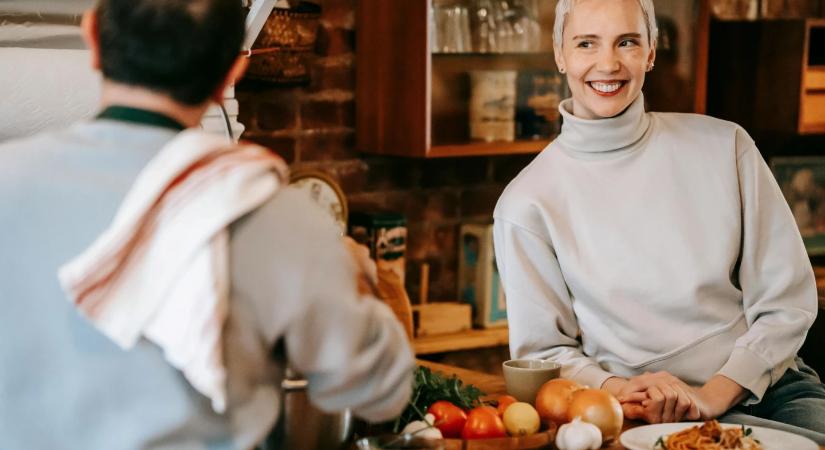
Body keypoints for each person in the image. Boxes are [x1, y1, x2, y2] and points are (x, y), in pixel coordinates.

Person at [0, 1, 414, 449]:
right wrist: (359, 276)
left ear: (94, 40)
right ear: (231, 75)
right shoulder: (271, 210)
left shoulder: (7, 180)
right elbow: (378, 391)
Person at [493, 0, 825, 443]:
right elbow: (545, 354)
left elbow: (787, 303)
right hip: (635, 413)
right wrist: (618, 391)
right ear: (559, 54)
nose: (607, 64)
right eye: (586, 43)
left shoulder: (725, 146)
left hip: (769, 391)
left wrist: (711, 396)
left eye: (627, 42)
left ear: (650, 52)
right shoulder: (525, 203)